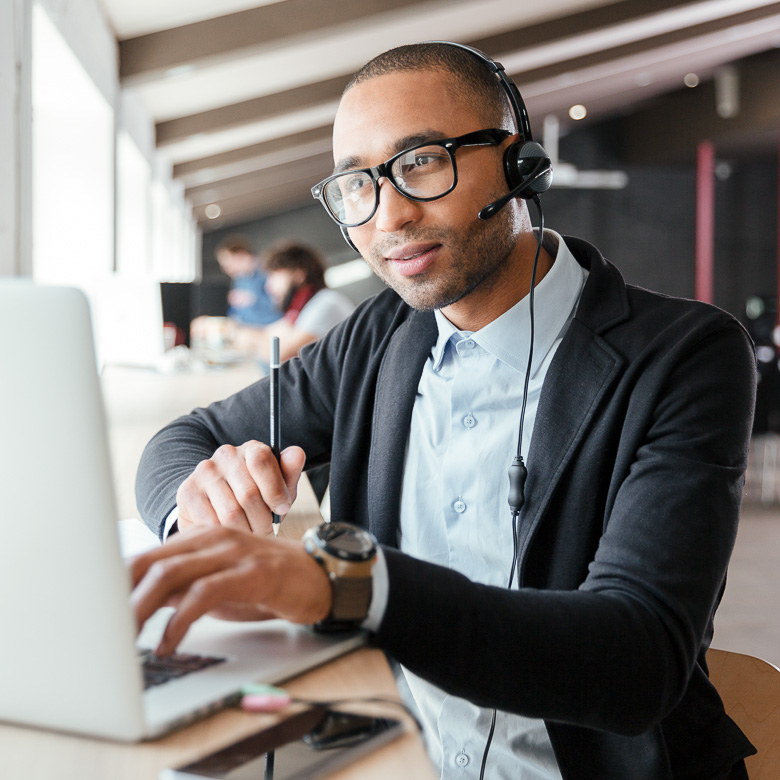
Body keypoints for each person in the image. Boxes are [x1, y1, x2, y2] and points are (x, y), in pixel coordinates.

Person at [132, 42, 757, 779]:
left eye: (422, 161)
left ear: (520, 163)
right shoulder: (377, 337)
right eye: (356, 184)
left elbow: (637, 657)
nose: (387, 215)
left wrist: (345, 584)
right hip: (392, 757)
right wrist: (198, 505)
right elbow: (185, 438)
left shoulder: (684, 356)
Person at [229, 240, 355, 362]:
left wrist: (249, 338)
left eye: (274, 277)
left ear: (298, 275)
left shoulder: (325, 303)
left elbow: (280, 354)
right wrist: (237, 332)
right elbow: (270, 332)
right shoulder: (300, 308)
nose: (269, 287)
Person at [190, 237, 278, 345]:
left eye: (227, 263)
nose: (225, 268)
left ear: (240, 255)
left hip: (269, 336)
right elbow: (238, 313)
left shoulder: (268, 272)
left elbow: (279, 309)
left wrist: (254, 300)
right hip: (248, 337)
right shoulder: (240, 279)